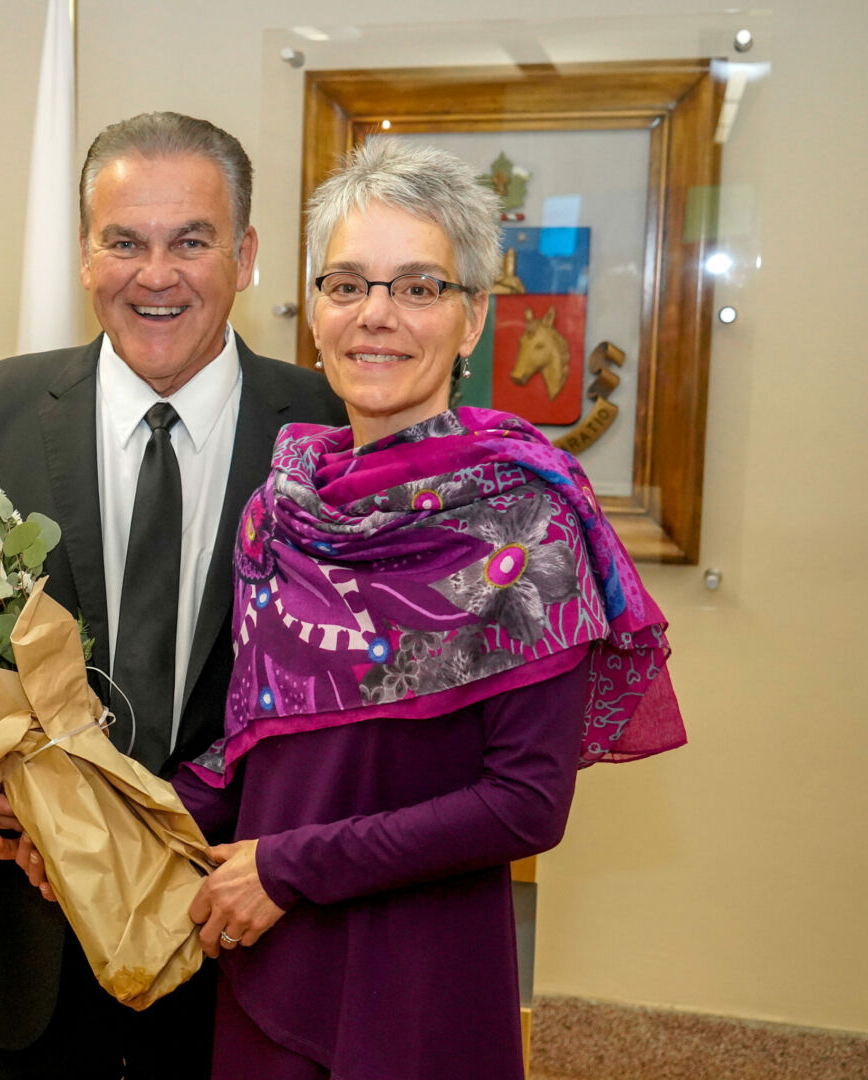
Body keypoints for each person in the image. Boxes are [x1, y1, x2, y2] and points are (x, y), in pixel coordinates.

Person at [171, 139, 687, 1080]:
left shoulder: (527, 518)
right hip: (266, 974)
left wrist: (287, 868)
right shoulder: (280, 508)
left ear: (473, 317)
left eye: (418, 288)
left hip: (418, 988)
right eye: (348, 285)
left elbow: (525, 804)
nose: (377, 317)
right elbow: (255, 743)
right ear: (315, 315)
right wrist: (94, 815)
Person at [0, 112, 346, 1080]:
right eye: (125, 241)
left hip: (244, 956)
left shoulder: (330, 432)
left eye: (191, 241)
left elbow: (356, 715)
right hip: (27, 953)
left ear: (245, 255)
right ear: (84, 254)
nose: (156, 275)